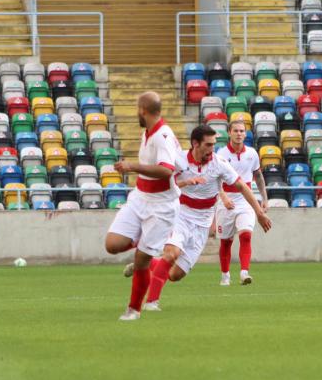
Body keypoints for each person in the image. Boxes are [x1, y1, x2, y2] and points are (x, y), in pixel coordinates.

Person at [125, 125, 272, 312]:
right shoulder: (177, 160)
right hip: (180, 215)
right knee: (171, 254)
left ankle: (144, 263)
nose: (212, 149)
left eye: (214, 144)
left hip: (202, 223)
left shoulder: (219, 164)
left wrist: (259, 213)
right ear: (195, 144)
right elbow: (160, 183)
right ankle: (151, 302)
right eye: (208, 145)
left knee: (175, 274)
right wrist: (185, 182)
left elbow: (243, 187)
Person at [104, 92, 181, 321]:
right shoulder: (148, 131)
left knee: (140, 262)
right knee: (112, 244)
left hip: (161, 206)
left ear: (142, 110)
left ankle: (133, 310)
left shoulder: (162, 135)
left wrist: (132, 166)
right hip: (140, 198)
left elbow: (166, 169)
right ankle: (143, 241)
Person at [215, 120, 268, 286]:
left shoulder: (252, 154)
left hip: (246, 200)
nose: (239, 134)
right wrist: (223, 197)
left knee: (246, 235)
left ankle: (244, 272)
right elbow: (215, 179)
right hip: (226, 200)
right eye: (235, 130)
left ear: (245, 134)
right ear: (229, 133)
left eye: (242, 131)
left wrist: (265, 198)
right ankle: (225, 276)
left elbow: (258, 176)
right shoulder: (221, 154)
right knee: (226, 241)